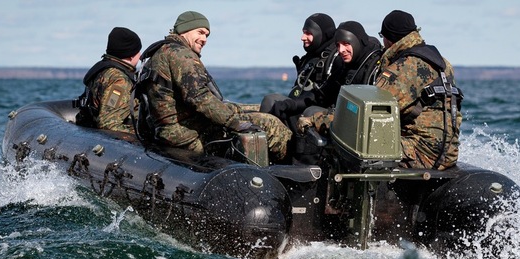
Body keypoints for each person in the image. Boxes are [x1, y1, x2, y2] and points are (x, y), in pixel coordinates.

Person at [300, 10, 463, 170]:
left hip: (421, 154)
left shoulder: (402, 70)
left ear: (389, 39)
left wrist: (316, 119)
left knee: (354, 142)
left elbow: (363, 118)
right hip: (449, 153)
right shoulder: (443, 63)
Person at [135, 11, 292, 163]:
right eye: (200, 32)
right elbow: (200, 98)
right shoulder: (181, 55)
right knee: (270, 124)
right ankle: (291, 180)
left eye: (207, 35)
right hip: (188, 135)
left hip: (169, 132)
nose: (204, 39)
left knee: (253, 109)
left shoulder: (160, 53)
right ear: (185, 30)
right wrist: (235, 123)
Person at [262, 13, 341, 127]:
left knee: (309, 112)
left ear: (322, 34)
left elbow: (322, 99)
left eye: (308, 33)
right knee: (270, 100)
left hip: (318, 113)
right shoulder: (310, 57)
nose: (302, 37)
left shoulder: (335, 61)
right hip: (297, 106)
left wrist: (292, 105)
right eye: (303, 32)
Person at [74, 27, 142, 136]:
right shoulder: (120, 81)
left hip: (88, 128)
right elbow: (108, 123)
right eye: (138, 51)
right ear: (131, 55)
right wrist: (143, 134)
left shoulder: (104, 70)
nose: (140, 55)